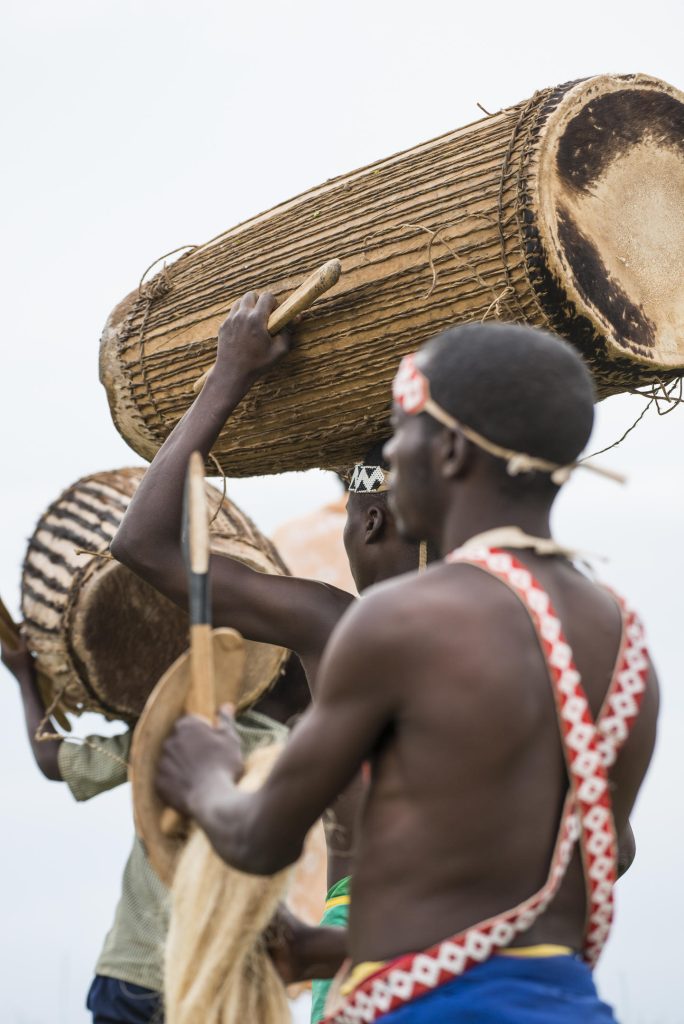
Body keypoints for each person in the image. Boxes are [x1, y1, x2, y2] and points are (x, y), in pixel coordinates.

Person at [153, 320, 658, 1023]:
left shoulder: (399, 621)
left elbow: (259, 838)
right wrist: (335, 950)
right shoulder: (622, 635)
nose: (390, 453)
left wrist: (206, 773)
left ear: (448, 450)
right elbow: (580, 870)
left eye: (400, 432)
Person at [110, 291, 431, 1021]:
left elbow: (143, 545)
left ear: (371, 519)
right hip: (496, 945)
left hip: (368, 951)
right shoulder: (515, 627)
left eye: (348, 517)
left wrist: (228, 376)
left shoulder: (338, 626)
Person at [2, 630, 305, 1024]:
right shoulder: (301, 770)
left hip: (133, 972)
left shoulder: (178, 729)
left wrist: (24, 674)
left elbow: (50, 758)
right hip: (220, 987)